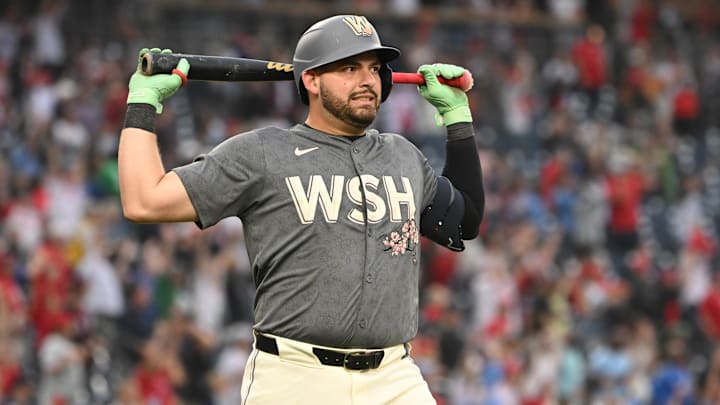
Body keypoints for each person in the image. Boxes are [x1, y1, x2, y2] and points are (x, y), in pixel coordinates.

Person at [119, 14, 484, 405]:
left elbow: (464, 221)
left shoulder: (403, 155)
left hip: (394, 378)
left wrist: (457, 118)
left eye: (374, 69)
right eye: (349, 68)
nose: (368, 80)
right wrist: (143, 104)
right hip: (294, 377)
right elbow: (145, 200)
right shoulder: (261, 153)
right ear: (310, 80)